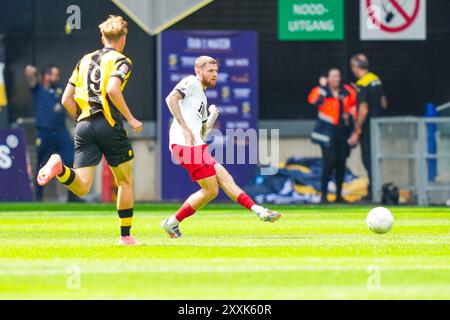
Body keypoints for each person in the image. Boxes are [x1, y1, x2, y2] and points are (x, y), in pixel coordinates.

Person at [36, 15, 143, 245]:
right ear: (123, 39)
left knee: (82, 186)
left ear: (102, 37)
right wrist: (131, 118)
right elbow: (114, 90)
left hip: (83, 125)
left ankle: (60, 169)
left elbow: (66, 99)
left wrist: (82, 118)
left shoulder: (84, 60)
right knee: (125, 180)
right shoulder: (122, 60)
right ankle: (125, 236)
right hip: (109, 123)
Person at [161, 56, 281, 238]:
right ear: (198, 71)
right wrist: (184, 127)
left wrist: (211, 118)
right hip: (185, 146)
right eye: (210, 70)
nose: (214, 74)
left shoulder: (201, 95)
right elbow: (171, 99)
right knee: (211, 190)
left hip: (195, 145)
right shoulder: (191, 82)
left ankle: (259, 211)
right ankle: (171, 223)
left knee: (225, 179)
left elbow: (202, 133)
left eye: (216, 71)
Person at [24, 64, 78, 202]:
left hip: (61, 131)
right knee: (41, 164)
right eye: (54, 74)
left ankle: (72, 197)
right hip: (44, 132)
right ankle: (38, 198)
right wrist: (34, 72)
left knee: (71, 160)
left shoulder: (60, 91)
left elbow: (68, 108)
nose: (57, 78)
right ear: (46, 76)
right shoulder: (38, 89)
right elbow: (30, 74)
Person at [308, 68, 357, 204]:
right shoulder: (321, 90)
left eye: (338, 76)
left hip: (343, 133)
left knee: (341, 164)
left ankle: (339, 196)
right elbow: (314, 100)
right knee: (329, 163)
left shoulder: (346, 90)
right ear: (327, 78)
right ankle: (324, 196)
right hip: (327, 134)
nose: (337, 79)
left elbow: (356, 104)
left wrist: (351, 116)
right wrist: (323, 87)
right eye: (334, 76)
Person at [348, 54, 388, 201]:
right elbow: (384, 103)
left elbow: (363, 109)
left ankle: (373, 193)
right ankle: (376, 190)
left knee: (368, 159)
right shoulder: (376, 79)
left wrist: (357, 130)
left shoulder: (362, 84)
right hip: (378, 127)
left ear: (356, 67)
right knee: (375, 159)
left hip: (368, 128)